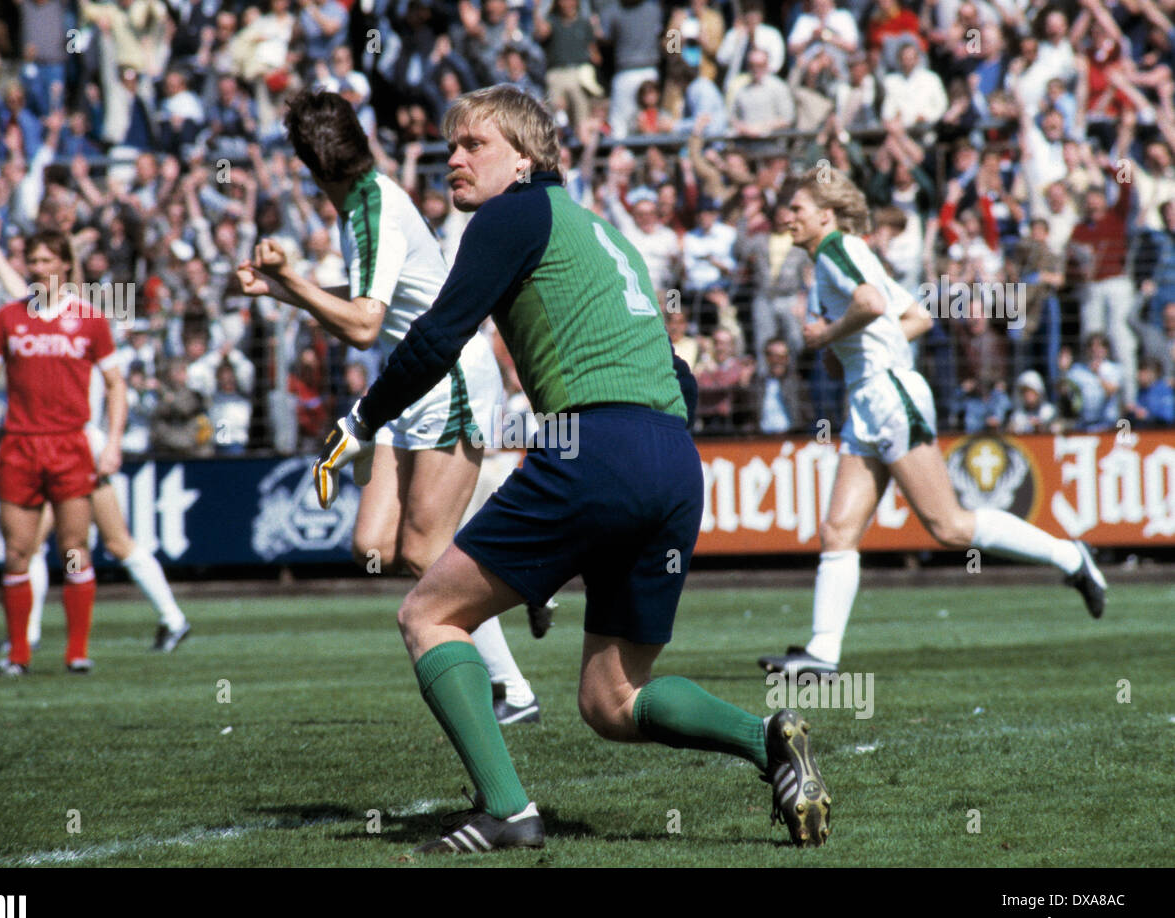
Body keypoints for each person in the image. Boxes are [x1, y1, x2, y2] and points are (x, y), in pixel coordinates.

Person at [311, 85, 832, 853]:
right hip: (672, 461)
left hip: (597, 449)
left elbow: (437, 336)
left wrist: (360, 421)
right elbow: (679, 376)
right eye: (448, 145)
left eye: (473, 145)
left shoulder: (511, 213)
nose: (452, 157)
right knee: (612, 700)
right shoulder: (601, 232)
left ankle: (508, 811)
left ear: (524, 157)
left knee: (428, 614)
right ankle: (770, 741)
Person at [237, 89, 539, 724]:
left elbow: (365, 325)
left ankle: (512, 688)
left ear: (308, 163)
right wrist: (280, 288)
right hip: (409, 383)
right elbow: (368, 298)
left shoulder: (371, 208)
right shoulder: (363, 203)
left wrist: (290, 279)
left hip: (447, 373)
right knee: (372, 544)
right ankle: (522, 576)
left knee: (428, 556)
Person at [756, 169, 1108, 680]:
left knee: (949, 526)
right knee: (838, 531)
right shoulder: (837, 259)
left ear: (825, 215)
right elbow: (917, 315)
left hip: (889, 393)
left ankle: (1071, 555)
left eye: (797, 209)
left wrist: (829, 334)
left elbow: (871, 306)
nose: (787, 216)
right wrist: (839, 344)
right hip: (869, 399)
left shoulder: (837, 249)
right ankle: (822, 656)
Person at [0, 230, 126, 676]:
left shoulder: (91, 319)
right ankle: (18, 653)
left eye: (44, 260)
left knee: (75, 548)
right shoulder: (7, 318)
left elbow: (117, 384)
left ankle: (76, 651)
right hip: (19, 445)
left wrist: (112, 442)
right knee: (17, 552)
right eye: (31, 260)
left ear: (63, 264)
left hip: (70, 445)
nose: (36, 268)